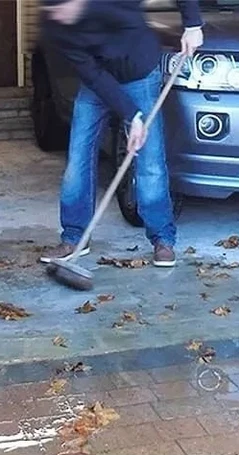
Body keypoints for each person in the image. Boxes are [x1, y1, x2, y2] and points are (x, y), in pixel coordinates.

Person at [39, 0, 204, 269]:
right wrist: (132, 115)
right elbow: (91, 74)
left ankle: (163, 238)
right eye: (52, 9)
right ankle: (74, 238)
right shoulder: (54, 24)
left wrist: (193, 24)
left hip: (139, 72)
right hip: (97, 83)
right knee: (78, 158)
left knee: (150, 160)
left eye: (63, 7)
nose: (58, 14)